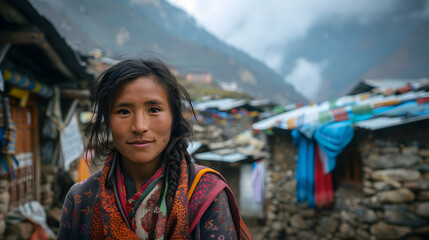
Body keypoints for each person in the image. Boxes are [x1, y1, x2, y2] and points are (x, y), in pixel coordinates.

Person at [58, 59, 252, 239]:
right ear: (107, 120)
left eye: (154, 110)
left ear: (173, 117)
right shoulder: (81, 198)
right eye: (124, 111)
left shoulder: (206, 193)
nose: (140, 126)